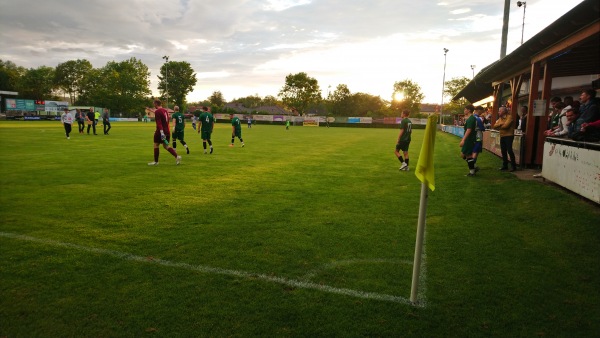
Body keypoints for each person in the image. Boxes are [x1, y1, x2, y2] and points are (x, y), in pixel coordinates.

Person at [148, 99, 181, 166]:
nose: (154, 105)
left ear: (156, 104)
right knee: (166, 146)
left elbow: (159, 123)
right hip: (167, 130)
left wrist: (161, 132)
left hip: (161, 131)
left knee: (156, 145)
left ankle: (156, 162)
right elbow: (167, 121)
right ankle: (177, 156)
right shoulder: (165, 110)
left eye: (154, 104)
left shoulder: (157, 111)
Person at [493, 106, 517, 172]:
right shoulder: (500, 119)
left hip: (509, 136)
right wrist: (501, 124)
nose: (498, 112)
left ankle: (513, 166)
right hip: (502, 136)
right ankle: (505, 165)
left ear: (503, 111)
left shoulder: (509, 117)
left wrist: (499, 126)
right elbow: (494, 126)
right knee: (503, 151)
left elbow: (506, 126)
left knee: (509, 150)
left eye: (499, 111)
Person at [459, 104, 478, 176]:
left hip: (470, 139)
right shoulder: (470, 118)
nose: (464, 110)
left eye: (465, 109)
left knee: (467, 155)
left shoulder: (471, 119)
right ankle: (474, 167)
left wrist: (463, 140)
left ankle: (472, 172)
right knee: (463, 155)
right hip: (469, 139)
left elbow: (469, 130)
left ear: (469, 110)